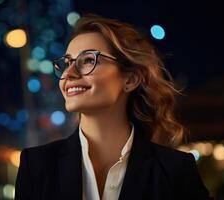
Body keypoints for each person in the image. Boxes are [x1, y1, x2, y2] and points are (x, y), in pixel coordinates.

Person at [15, 14, 213, 200]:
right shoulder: (37, 166)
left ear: (131, 79)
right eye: (66, 63)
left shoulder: (175, 170)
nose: (68, 74)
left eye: (89, 60)